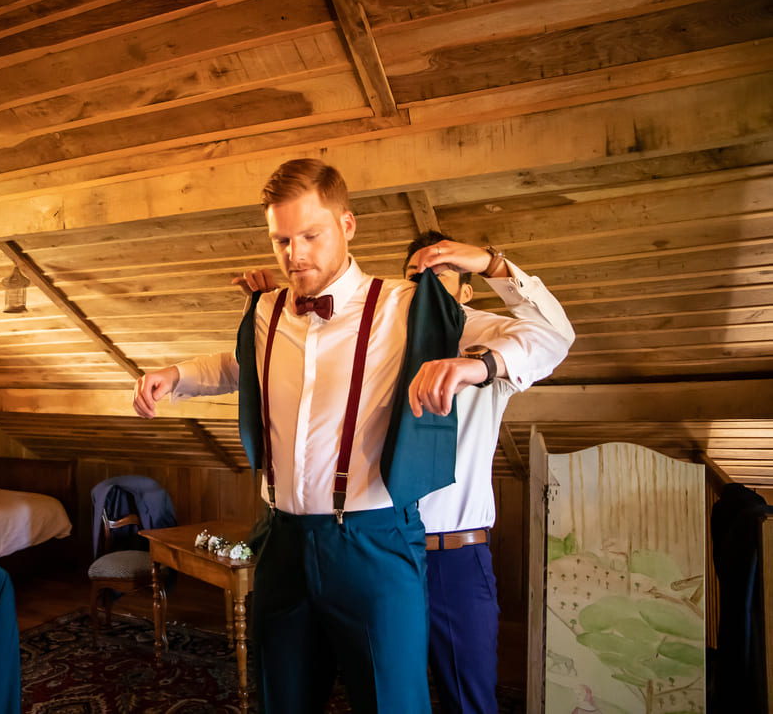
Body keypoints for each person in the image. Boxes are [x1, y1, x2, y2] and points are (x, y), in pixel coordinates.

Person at [131, 158, 560, 712]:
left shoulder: (406, 305)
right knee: (282, 700)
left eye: (310, 235)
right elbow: (240, 364)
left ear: (347, 224)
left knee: (392, 703)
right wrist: (176, 376)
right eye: (281, 240)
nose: (294, 254)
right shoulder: (267, 311)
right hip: (281, 541)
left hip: (374, 543)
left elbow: (550, 338)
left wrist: (483, 346)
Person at [405, 231, 574, 714]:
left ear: (465, 289)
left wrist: (490, 263)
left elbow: (557, 337)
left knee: (471, 701)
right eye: (416, 277)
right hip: (386, 550)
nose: (426, 285)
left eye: (440, 275)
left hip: (456, 557)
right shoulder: (383, 340)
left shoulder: (491, 336)